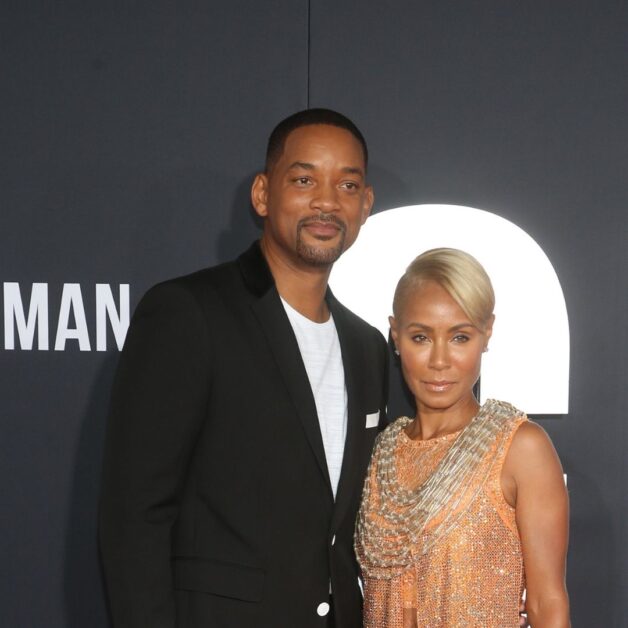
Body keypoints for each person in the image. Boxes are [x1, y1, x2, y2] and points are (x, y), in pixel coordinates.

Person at [99, 109, 389, 628]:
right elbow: (134, 515)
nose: (326, 201)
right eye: (304, 179)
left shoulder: (367, 348)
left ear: (365, 205)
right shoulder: (189, 313)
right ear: (262, 193)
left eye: (347, 185)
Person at [355, 248, 570, 627]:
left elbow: (546, 603)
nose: (439, 360)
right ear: (395, 335)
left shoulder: (519, 448)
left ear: (486, 334)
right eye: (421, 337)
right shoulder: (377, 454)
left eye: (459, 337)